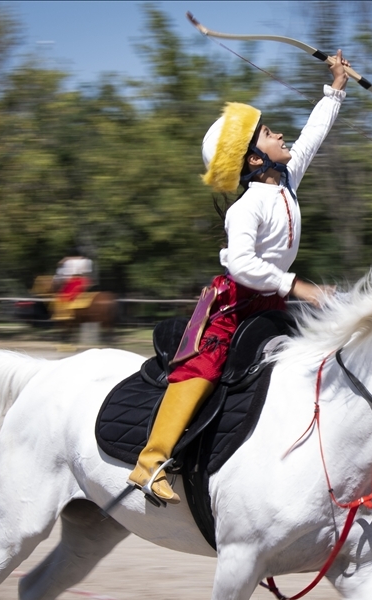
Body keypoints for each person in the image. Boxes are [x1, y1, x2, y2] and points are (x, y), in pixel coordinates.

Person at [127, 50, 351, 505]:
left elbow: (312, 136)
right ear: (252, 160)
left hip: (268, 302)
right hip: (231, 304)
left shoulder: (287, 180)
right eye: (269, 134)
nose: (281, 133)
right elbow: (241, 265)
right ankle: (151, 462)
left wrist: (336, 88)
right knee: (203, 366)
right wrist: (299, 287)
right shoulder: (248, 206)